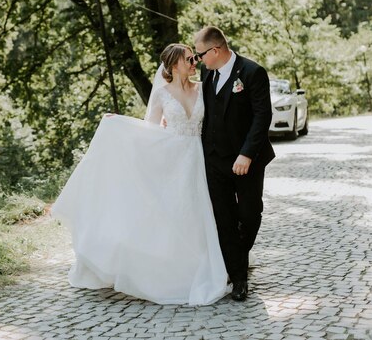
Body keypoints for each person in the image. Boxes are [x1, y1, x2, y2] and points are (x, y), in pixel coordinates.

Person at [51, 44, 230, 305]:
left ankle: (202, 266)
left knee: (198, 212)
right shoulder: (161, 94)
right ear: (173, 65)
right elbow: (149, 131)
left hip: (198, 157)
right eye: (189, 59)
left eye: (194, 58)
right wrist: (118, 123)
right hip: (172, 159)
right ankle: (173, 272)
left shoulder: (204, 89)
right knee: (175, 214)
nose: (194, 62)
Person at [194, 26, 275, 301]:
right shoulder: (207, 74)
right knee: (224, 220)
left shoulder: (252, 73)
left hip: (246, 161)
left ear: (215, 51)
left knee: (250, 215)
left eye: (201, 54)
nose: (198, 60)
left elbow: (262, 116)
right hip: (214, 160)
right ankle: (239, 278)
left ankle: (236, 259)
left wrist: (247, 154)